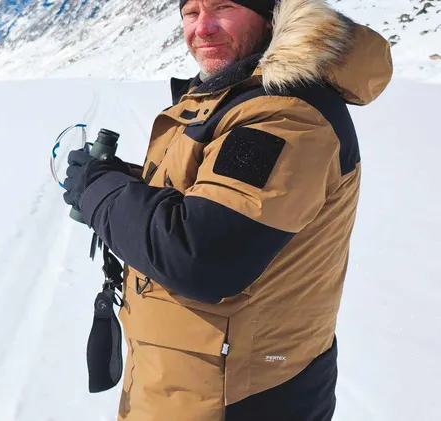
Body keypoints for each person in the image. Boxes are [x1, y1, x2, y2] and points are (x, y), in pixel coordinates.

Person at [61, 0, 393, 420]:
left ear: (270, 15)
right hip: (190, 377)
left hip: (236, 396)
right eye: (191, 13)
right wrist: (122, 179)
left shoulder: (283, 114)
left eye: (222, 7)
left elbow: (200, 254)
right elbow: (205, 196)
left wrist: (100, 191)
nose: (203, 28)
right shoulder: (234, 97)